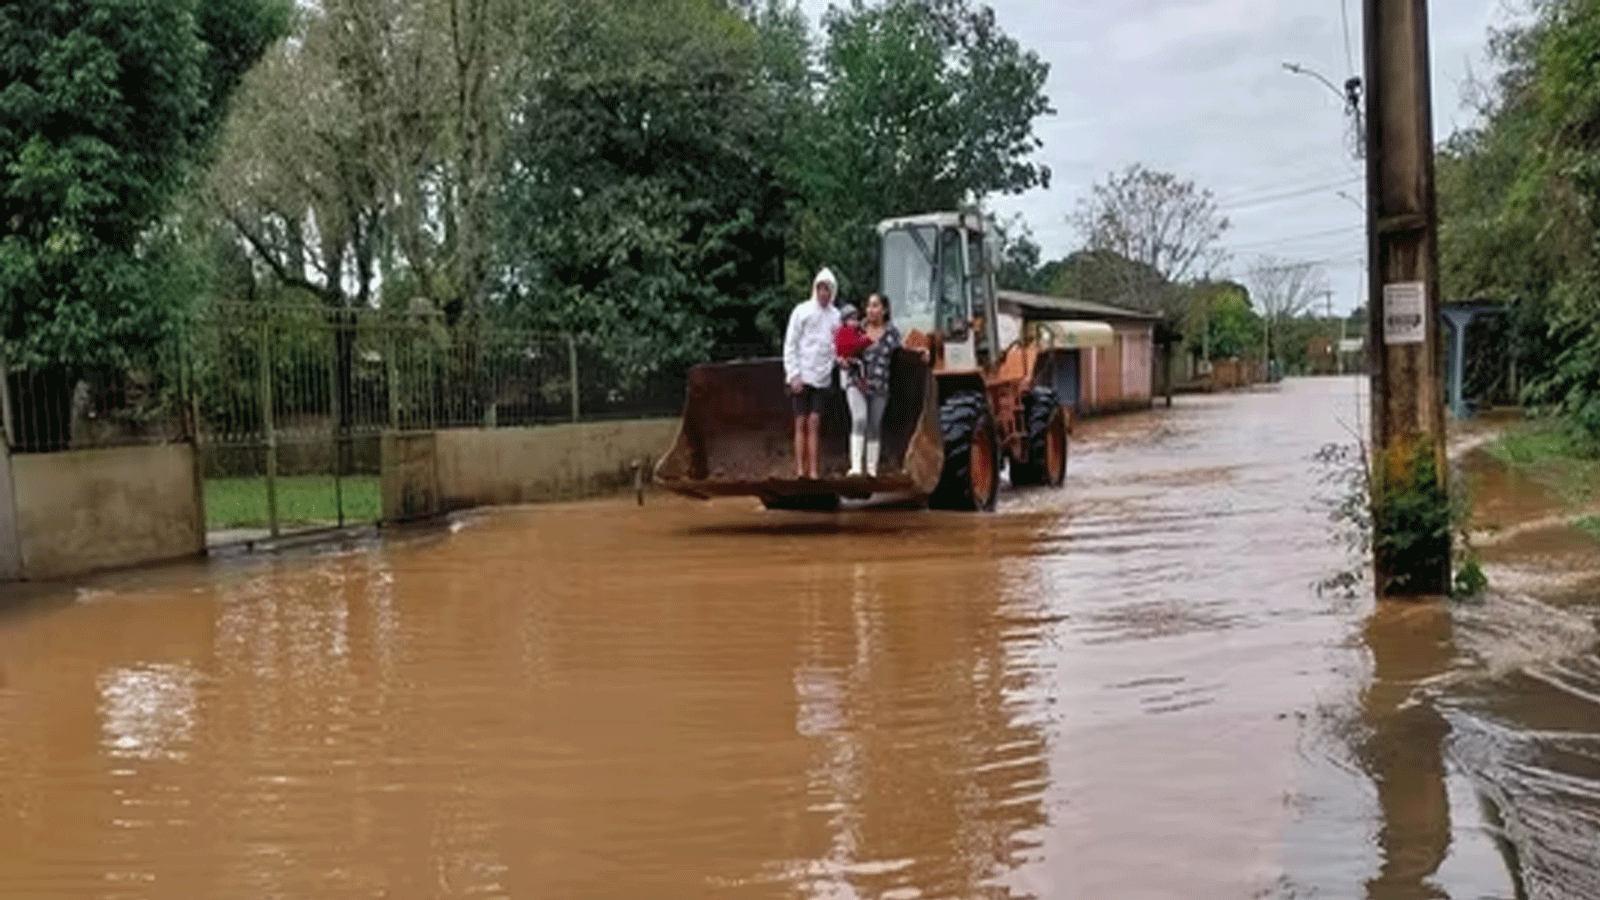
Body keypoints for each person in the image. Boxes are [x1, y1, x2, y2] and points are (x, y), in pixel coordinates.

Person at [784, 267, 841, 479]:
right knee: (800, 421)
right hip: (802, 375)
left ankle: (814, 471)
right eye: (821, 288)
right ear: (815, 289)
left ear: (833, 291)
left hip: (822, 377)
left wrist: (839, 361)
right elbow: (791, 344)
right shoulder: (802, 311)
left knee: (814, 422)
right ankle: (800, 470)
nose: (824, 293)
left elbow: (837, 346)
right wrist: (793, 375)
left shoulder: (836, 317)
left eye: (828, 289)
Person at [850, 292, 905, 476]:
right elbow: (841, 346)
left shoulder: (892, 334)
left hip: (880, 386)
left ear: (884, 310)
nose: (871, 310)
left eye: (875, 306)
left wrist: (922, 351)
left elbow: (904, 350)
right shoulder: (857, 330)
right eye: (869, 306)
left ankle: (871, 469)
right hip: (857, 383)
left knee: (874, 425)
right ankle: (856, 467)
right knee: (860, 419)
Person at [833, 303, 872, 475]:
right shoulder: (843, 334)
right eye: (850, 319)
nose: (854, 322)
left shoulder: (862, 333)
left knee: (869, 421)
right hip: (853, 380)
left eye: (856, 318)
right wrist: (867, 339)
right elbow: (849, 347)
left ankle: (867, 463)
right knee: (860, 418)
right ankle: (856, 465)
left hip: (870, 381)